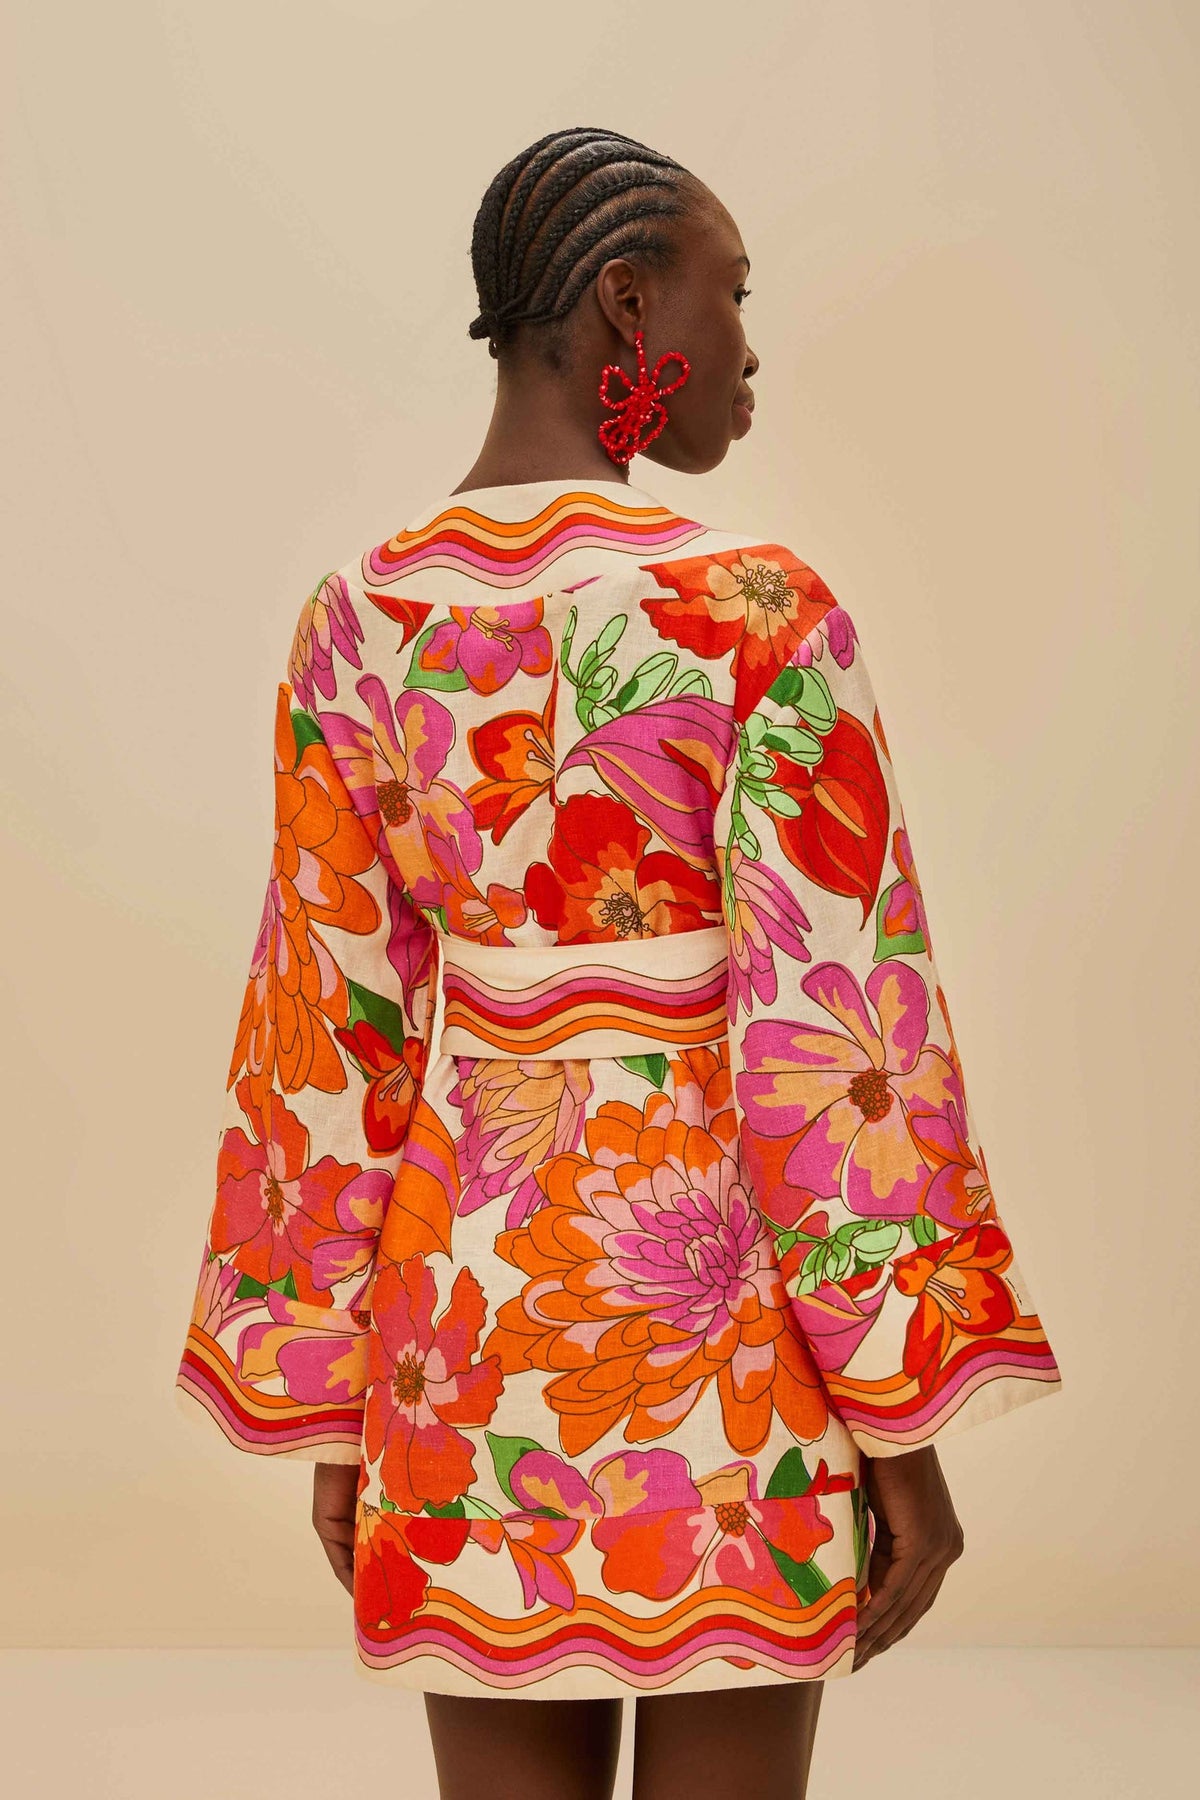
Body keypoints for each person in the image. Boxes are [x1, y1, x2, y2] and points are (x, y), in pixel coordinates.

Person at [174, 125, 1063, 1800]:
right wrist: (903, 1429)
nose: (751, 348)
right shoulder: (759, 614)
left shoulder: (357, 620)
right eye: (735, 295)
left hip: (464, 1335)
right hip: (728, 1337)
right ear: (626, 304)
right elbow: (838, 1037)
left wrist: (331, 1395)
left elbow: (325, 1030)